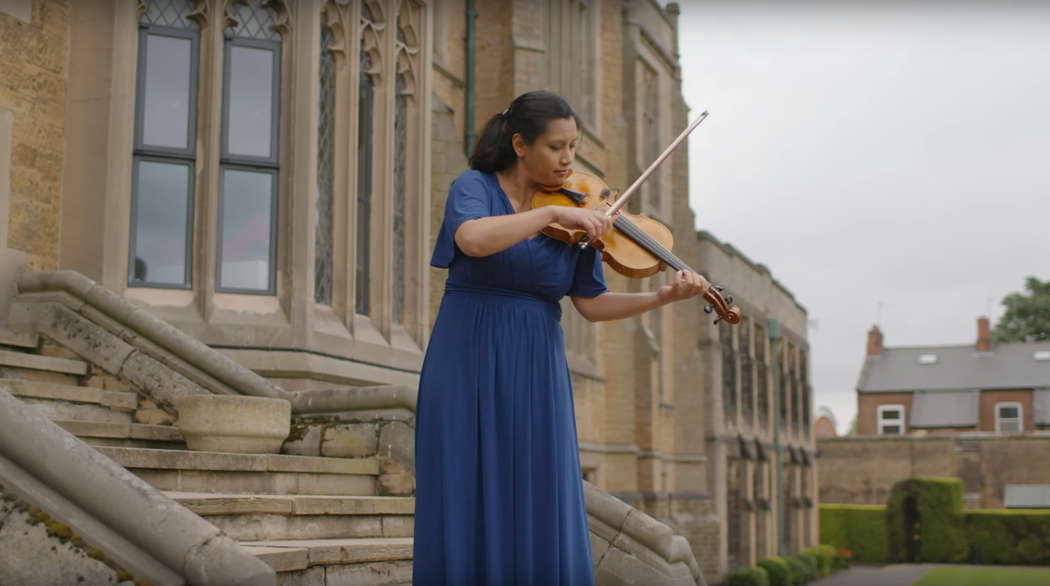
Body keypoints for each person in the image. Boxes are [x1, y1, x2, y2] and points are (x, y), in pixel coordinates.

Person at [412, 90, 710, 585]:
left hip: (536, 365)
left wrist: (662, 298)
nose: (568, 159)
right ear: (520, 145)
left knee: (539, 487)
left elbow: (591, 304)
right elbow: (473, 239)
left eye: (572, 146)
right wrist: (551, 215)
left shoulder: (581, 214)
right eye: (556, 146)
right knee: (463, 482)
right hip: (467, 356)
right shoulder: (476, 187)